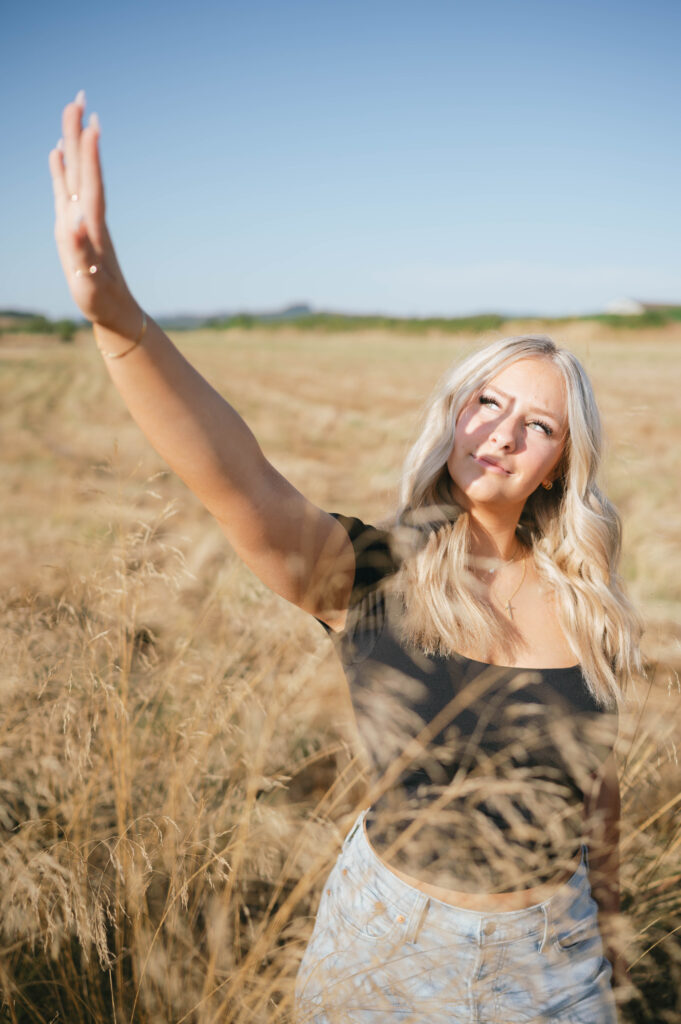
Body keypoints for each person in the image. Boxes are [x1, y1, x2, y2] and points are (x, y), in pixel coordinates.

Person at [50, 91, 640, 1022]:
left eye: (537, 425)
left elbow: (593, 775)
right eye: (485, 403)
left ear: (560, 466)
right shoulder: (370, 572)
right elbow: (237, 480)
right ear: (452, 414)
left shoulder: (583, 591)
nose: (502, 434)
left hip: (555, 957)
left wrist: (606, 920)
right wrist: (119, 320)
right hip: (394, 951)